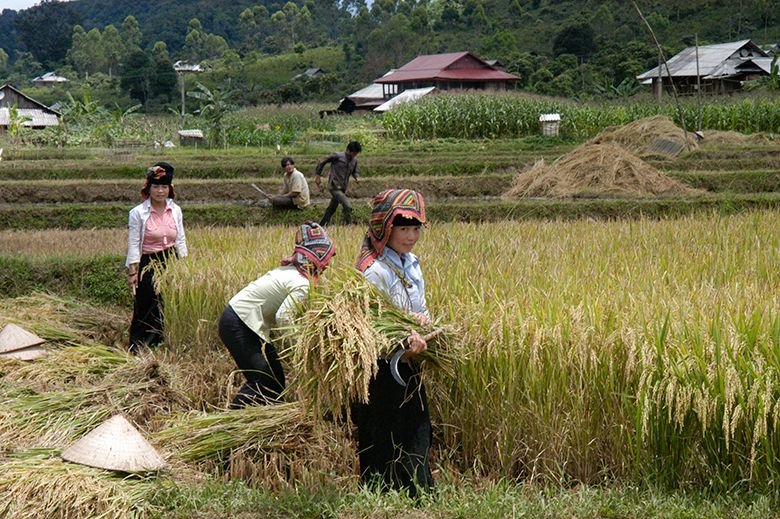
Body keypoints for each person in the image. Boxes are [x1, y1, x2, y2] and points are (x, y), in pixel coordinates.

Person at [353, 188, 433, 497]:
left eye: (415, 228)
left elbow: (420, 307)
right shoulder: (376, 272)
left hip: (409, 359)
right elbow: (370, 324)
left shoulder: (411, 263)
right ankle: (379, 492)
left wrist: (423, 322)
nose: (411, 236)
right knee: (382, 428)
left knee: (417, 425)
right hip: (382, 365)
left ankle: (416, 492)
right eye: (403, 228)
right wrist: (404, 335)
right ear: (384, 228)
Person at [219, 221, 335, 409]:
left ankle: (274, 420)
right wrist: (300, 349)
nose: (328, 263)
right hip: (238, 324)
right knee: (261, 378)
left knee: (276, 380)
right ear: (317, 257)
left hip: (251, 324)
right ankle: (228, 421)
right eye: (326, 257)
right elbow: (284, 318)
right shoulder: (302, 284)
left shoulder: (292, 272)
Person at [126, 162, 187, 353]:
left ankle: (162, 341)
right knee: (147, 302)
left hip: (170, 259)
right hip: (148, 262)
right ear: (148, 188)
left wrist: (185, 264)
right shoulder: (138, 213)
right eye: (156, 187)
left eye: (164, 187)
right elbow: (134, 244)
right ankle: (140, 345)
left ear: (170, 189)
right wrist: (132, 271)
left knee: (167, 301)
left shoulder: (175, 210)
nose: (160, 191)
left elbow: (181, 238)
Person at [315, 140, 362, 226]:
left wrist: (357, 177)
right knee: (347, 205)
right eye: (354, 153)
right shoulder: (337, 156)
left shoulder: (354, 161)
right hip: (334, 186)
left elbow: (355, 172)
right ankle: (348, 226)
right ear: (348, 150)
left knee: (332, 208)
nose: (354, 155)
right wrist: (318, 176)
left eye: (356, 154)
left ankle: (322, 225)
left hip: (343, 187)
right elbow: (322, 162)